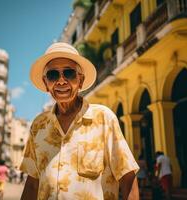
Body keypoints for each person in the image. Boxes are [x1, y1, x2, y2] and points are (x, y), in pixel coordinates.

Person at [19, 42, 140, 200]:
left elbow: (127, 178)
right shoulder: (38, 126)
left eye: (69, 73)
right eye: (53, 75)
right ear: (45, 83)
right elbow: (32, 183)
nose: (61, 81)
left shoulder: (104, 118)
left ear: (80, 80)